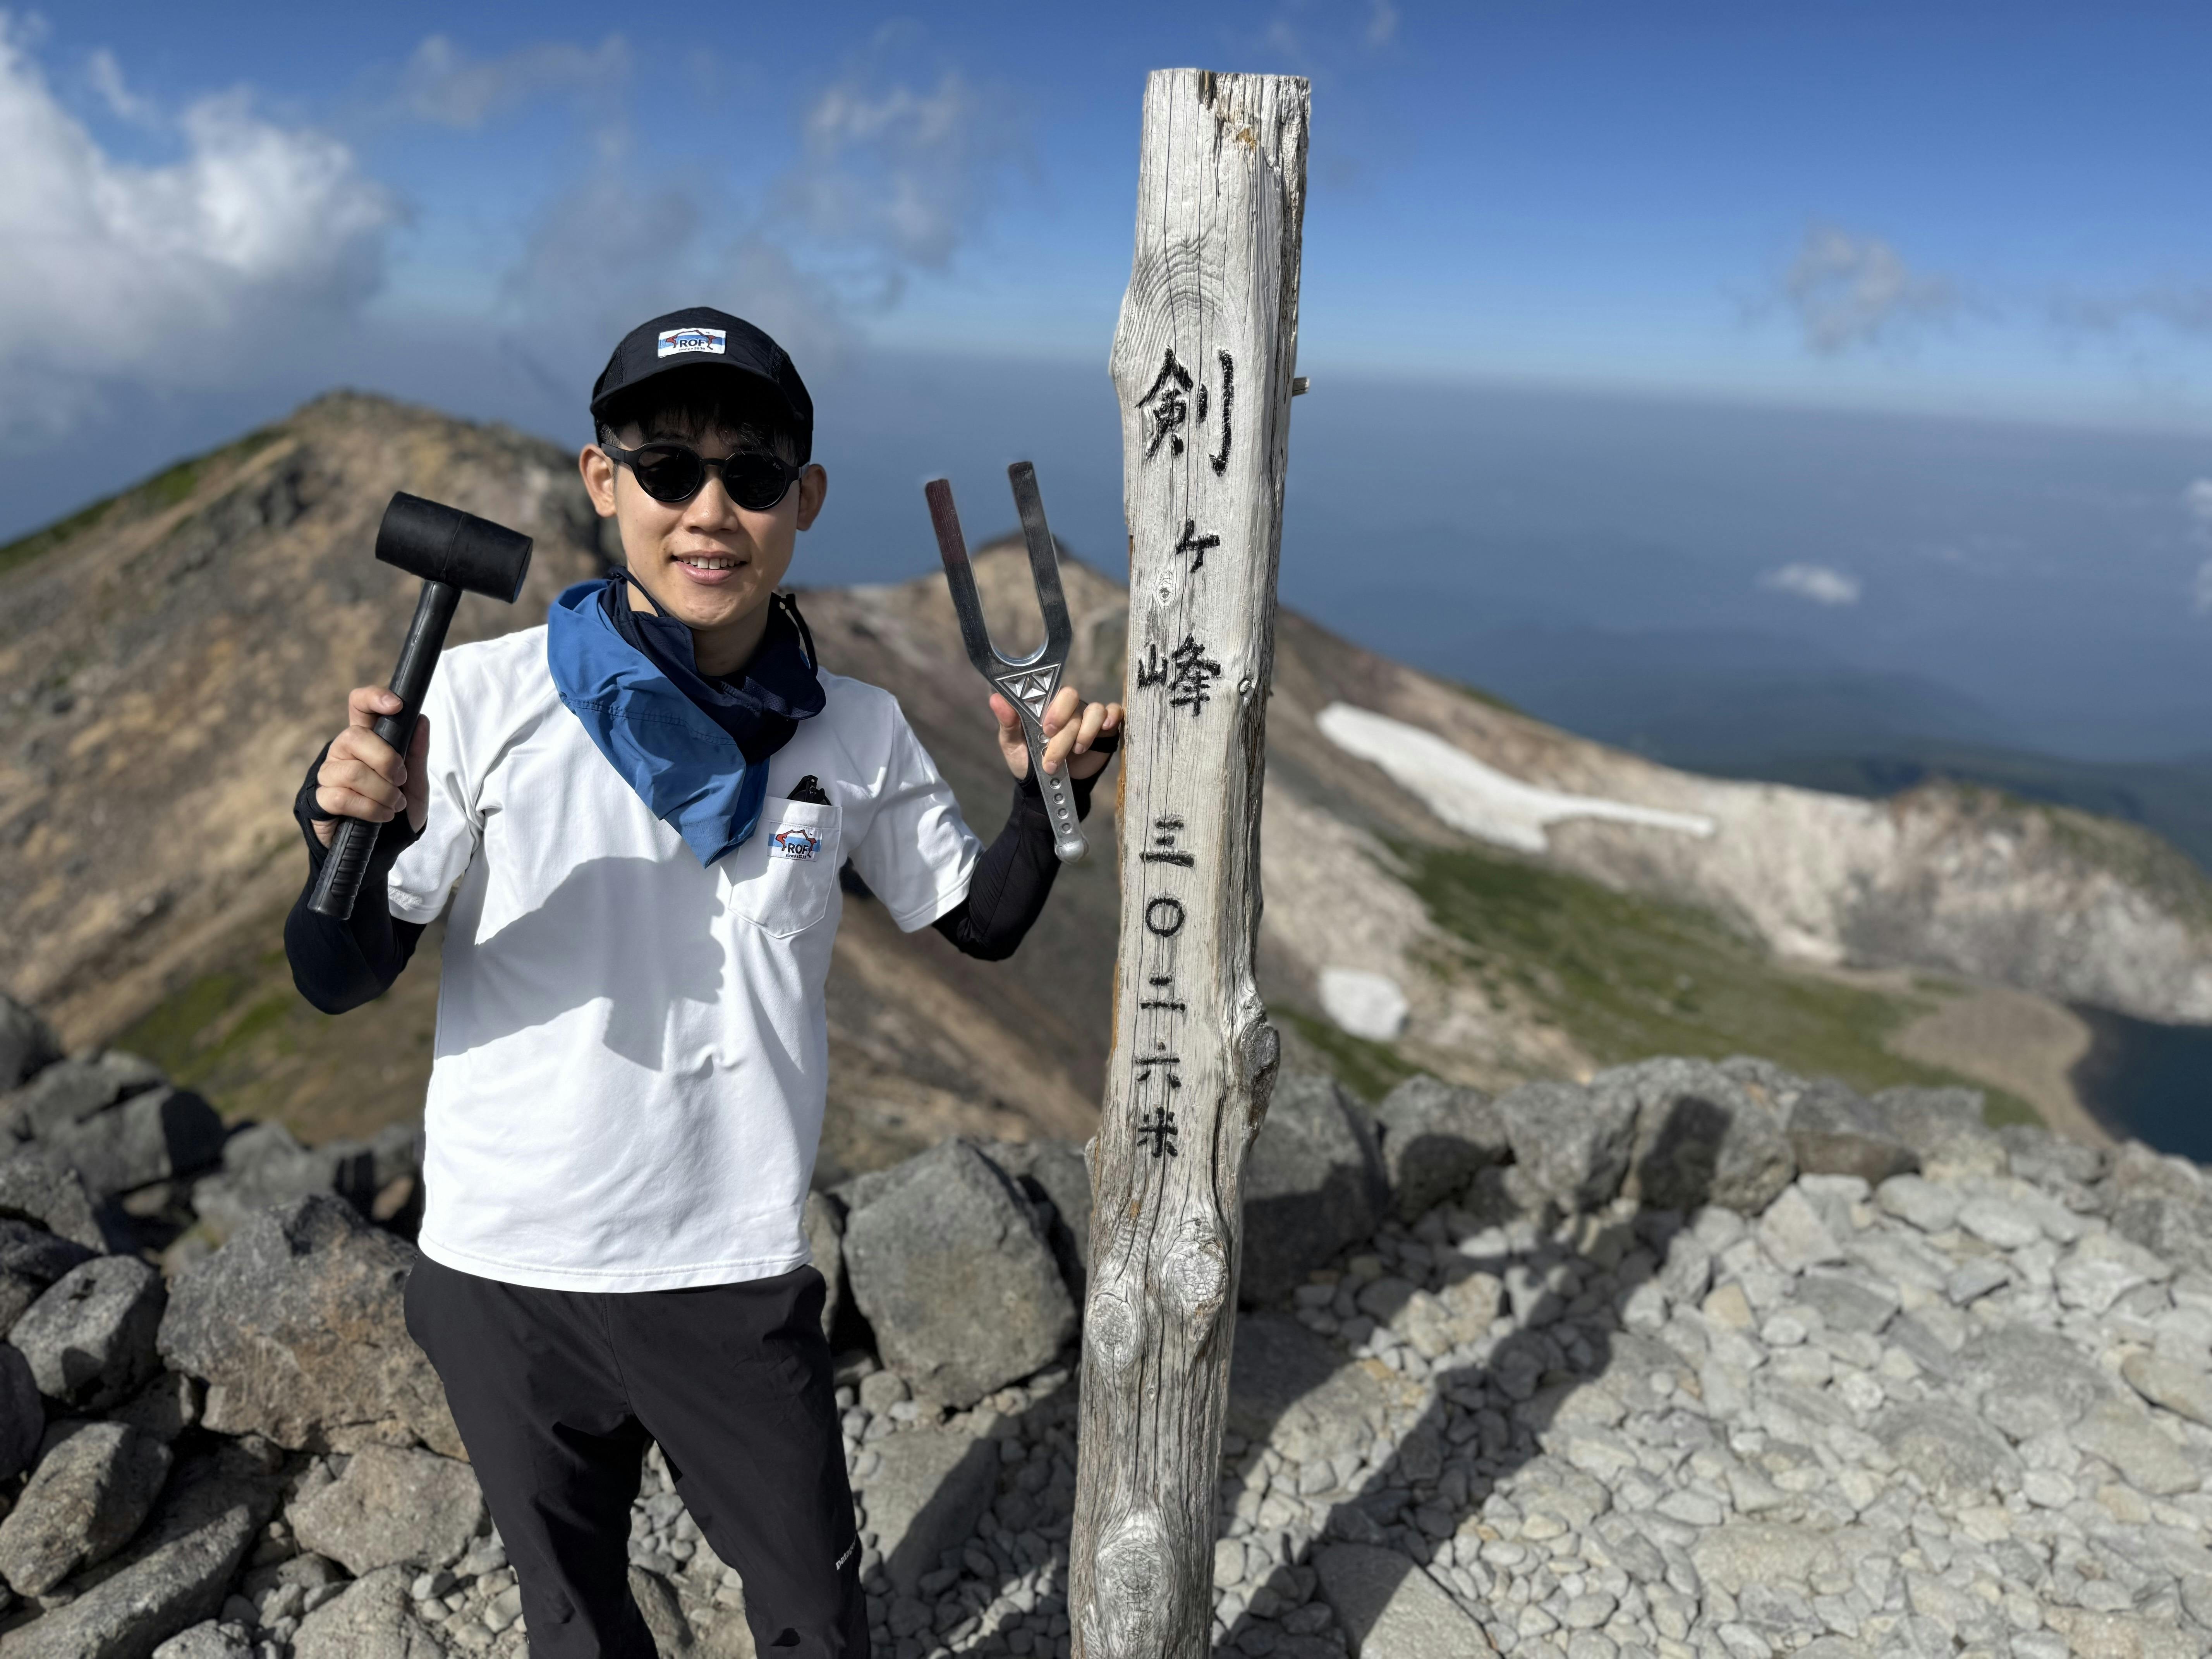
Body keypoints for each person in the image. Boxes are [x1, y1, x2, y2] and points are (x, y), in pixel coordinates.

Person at [283, 306, 1120, 1657]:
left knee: (815, 1624)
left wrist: (1049, 800)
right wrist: (346, 832)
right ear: (602, 481)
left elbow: (981, 918)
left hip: (729, 1272)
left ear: (807, 498)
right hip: (504, 1274)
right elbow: (337, 974)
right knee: (576, 1623)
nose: (710, 509)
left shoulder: (855, 732)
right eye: (667, 468)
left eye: (753, 471)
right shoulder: (483, 703)